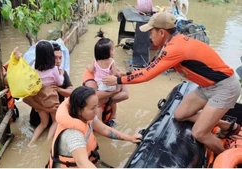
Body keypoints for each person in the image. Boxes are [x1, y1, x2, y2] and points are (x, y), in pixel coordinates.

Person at [102, 11, 241, 155]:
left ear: (161, 32)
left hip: (224, 87)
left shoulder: (175, 48)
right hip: (207, 87)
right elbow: (150, 67)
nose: (149, 36)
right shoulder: (174, 42)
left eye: (151, 32)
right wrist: (126, 74)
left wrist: (118, 80)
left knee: (199, 133)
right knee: (180, 114)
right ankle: (227, 125)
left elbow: (147, 75)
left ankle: (225, 157)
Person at [46, 86, 142, 168]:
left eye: (96, 106)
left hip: (90, 159)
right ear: (79, 110)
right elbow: (83, 164)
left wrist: (130, 138)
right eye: (92, 108)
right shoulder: (73, 134)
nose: (96, 111)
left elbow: (104, 129)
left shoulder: (86, 116)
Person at [19, 41, 64, 147]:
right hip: (49, 97)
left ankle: (31, 142)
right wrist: (61, 73)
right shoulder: (53, 69)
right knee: (55, 121)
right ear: (50, 55)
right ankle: (48, 141)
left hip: (38, 97)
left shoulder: (34, 67)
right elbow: (60, 82)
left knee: (43, 123)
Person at [29, 42, 73, 128]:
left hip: (49, 119)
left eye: (60, 58)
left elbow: (71, 93)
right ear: (48, 57)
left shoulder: (62, 73)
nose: (58, 61)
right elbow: (26, 99)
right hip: (41, 119)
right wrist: (46, 109)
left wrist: (59, 89)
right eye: (55, 57)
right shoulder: (56, 73)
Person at [86, 37, 124, 121]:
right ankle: (113, 115)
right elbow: (115, 73)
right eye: (112, 50)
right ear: (107, 52)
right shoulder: (111, 61)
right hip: (110, 85)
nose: (114, 52)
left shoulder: (95, 60)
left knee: (99, 105)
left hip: (101, 85)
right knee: (113, 101)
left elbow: (91, 69)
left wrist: (87, 66)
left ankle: (99, 122)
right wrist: (121, 74)